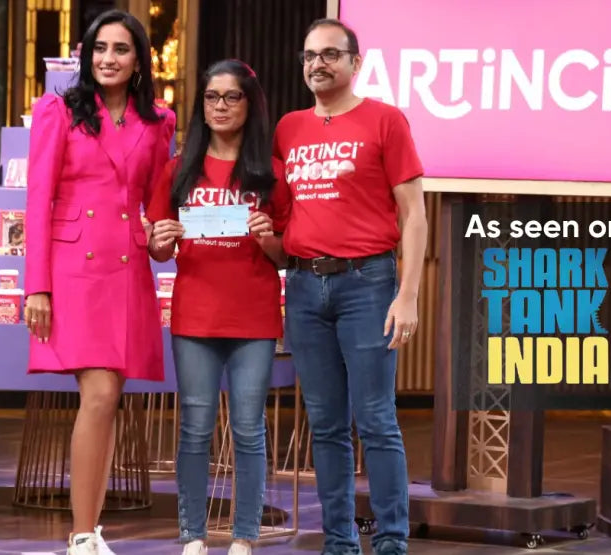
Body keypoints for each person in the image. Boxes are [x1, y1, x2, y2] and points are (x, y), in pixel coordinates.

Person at [272, 18, 428, 555]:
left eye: (330, 54)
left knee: (377, 419)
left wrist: (408, 294)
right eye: (310, 55)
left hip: (369, 283)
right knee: (325, 425)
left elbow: (414, 214)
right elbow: (283, 211)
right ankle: (339, 541)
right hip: (304, 287)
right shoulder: (288, 128)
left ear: (355, 63)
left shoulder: (385, 120)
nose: (318, 64)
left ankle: (391, 540)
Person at [23, 9, 175, 555]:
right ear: (87, 56)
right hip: (73, 271)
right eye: (100, 48)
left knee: (108, 399)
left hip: (127, 268)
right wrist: (36, 286)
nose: (109, 58)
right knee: (102, 392)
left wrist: (163, 240)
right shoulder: (58, 111)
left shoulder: (160, 121)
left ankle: (89, 533)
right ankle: (82, 536)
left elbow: (157, 203)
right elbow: (37, 200)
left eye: (121, 49)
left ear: (139, 61)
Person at [146, 59, 290, 555]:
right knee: (194, 428)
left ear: (250, 104)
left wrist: (269, 238)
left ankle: (245, 536)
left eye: (232, 97)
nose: (221, 106)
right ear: (201, 106)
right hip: (195, 316)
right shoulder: (178, 168)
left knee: (249, 429)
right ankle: (193, 535)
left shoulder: (271, 172)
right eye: (212, 97)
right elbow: (159, 248)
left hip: (254, 317)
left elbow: (286, 253)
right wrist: (160, 240)